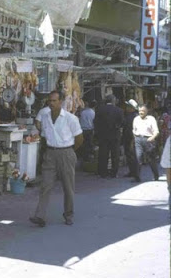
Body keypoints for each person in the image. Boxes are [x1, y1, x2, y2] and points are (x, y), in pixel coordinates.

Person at [29, 90, 83, 227]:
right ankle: (40, 215)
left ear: (61, 102)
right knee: (45, 185)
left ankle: (68, 214)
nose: (51, 103)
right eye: (50, 101)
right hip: (50, 154)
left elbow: (79, 139)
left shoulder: (71, 119)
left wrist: (69, 152)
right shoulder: (45, 117)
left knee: (68, 187)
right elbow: (43, 134)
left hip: (66, 153)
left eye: (54, 101)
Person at [94, 94, 124, 178]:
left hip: (103, 136)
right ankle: (114, 172)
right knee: (115, 154)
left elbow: (96, 123)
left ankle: (103, 172)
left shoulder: (100, 110)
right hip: (115, 135)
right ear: (113, 101)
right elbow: (122, 122)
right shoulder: (119, 110)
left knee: (103, 154)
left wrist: (97, 133)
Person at [132, 104, 160, 182]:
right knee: (138, 158)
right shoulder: (136, 119)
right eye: (140, 111)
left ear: (147, 111)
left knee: (151, 159)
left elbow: (156, 131)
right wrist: (136, 139)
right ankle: (137, 177)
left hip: (149, 140)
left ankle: (156, 175)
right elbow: (134, 130)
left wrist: (152, 137)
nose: (141, 112)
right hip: (138, 140)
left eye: (143, 111)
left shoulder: (151, 119)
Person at [122, 99, 139, 178]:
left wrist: (132, 141)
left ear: (132, 108)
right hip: (129, 139)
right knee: (131, 156)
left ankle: (134, 172)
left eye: (128, 106)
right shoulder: (132, 116)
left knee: (132, 156)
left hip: (131, 139)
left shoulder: (132, 117)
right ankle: (132, 171)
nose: (126, 108)